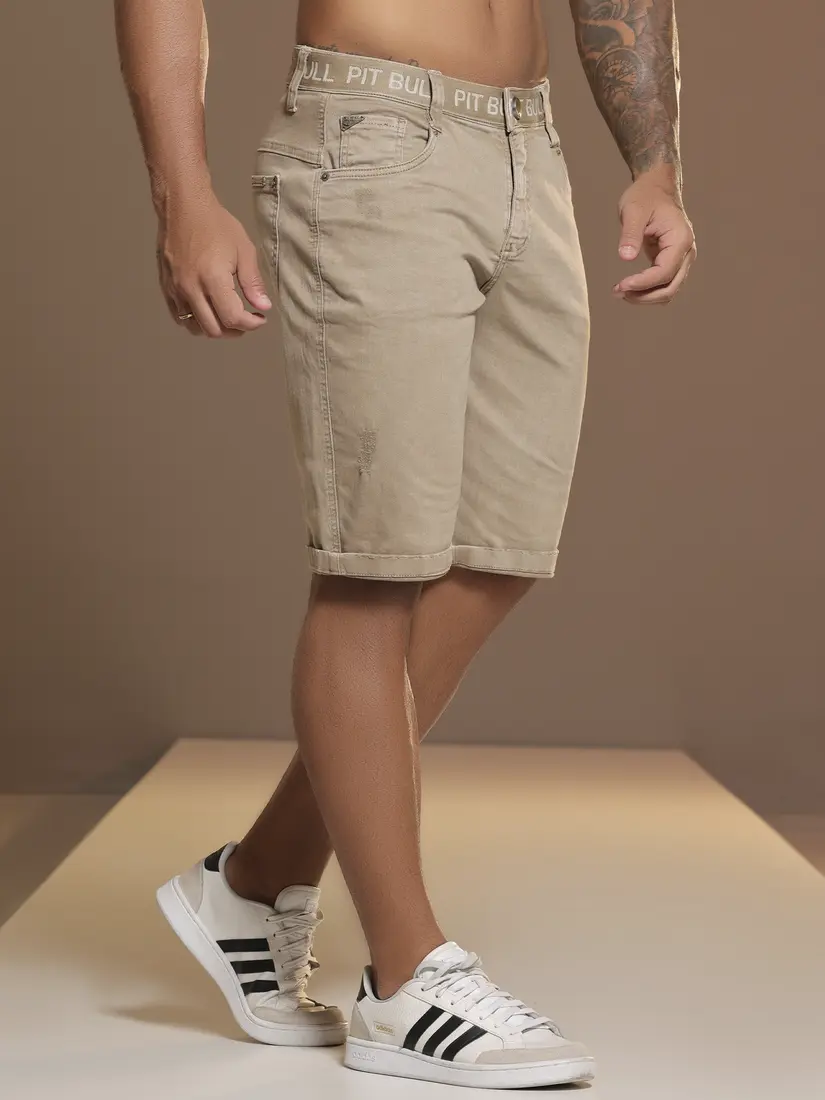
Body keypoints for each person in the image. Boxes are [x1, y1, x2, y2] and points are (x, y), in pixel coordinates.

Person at [115, 0, 695, 1088]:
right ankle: (405, 977)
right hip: (369, 135)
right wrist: (181, 194)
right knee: (374, 571)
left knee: (499, 550)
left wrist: (655, 160)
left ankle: (254, 880)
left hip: (528, 146)